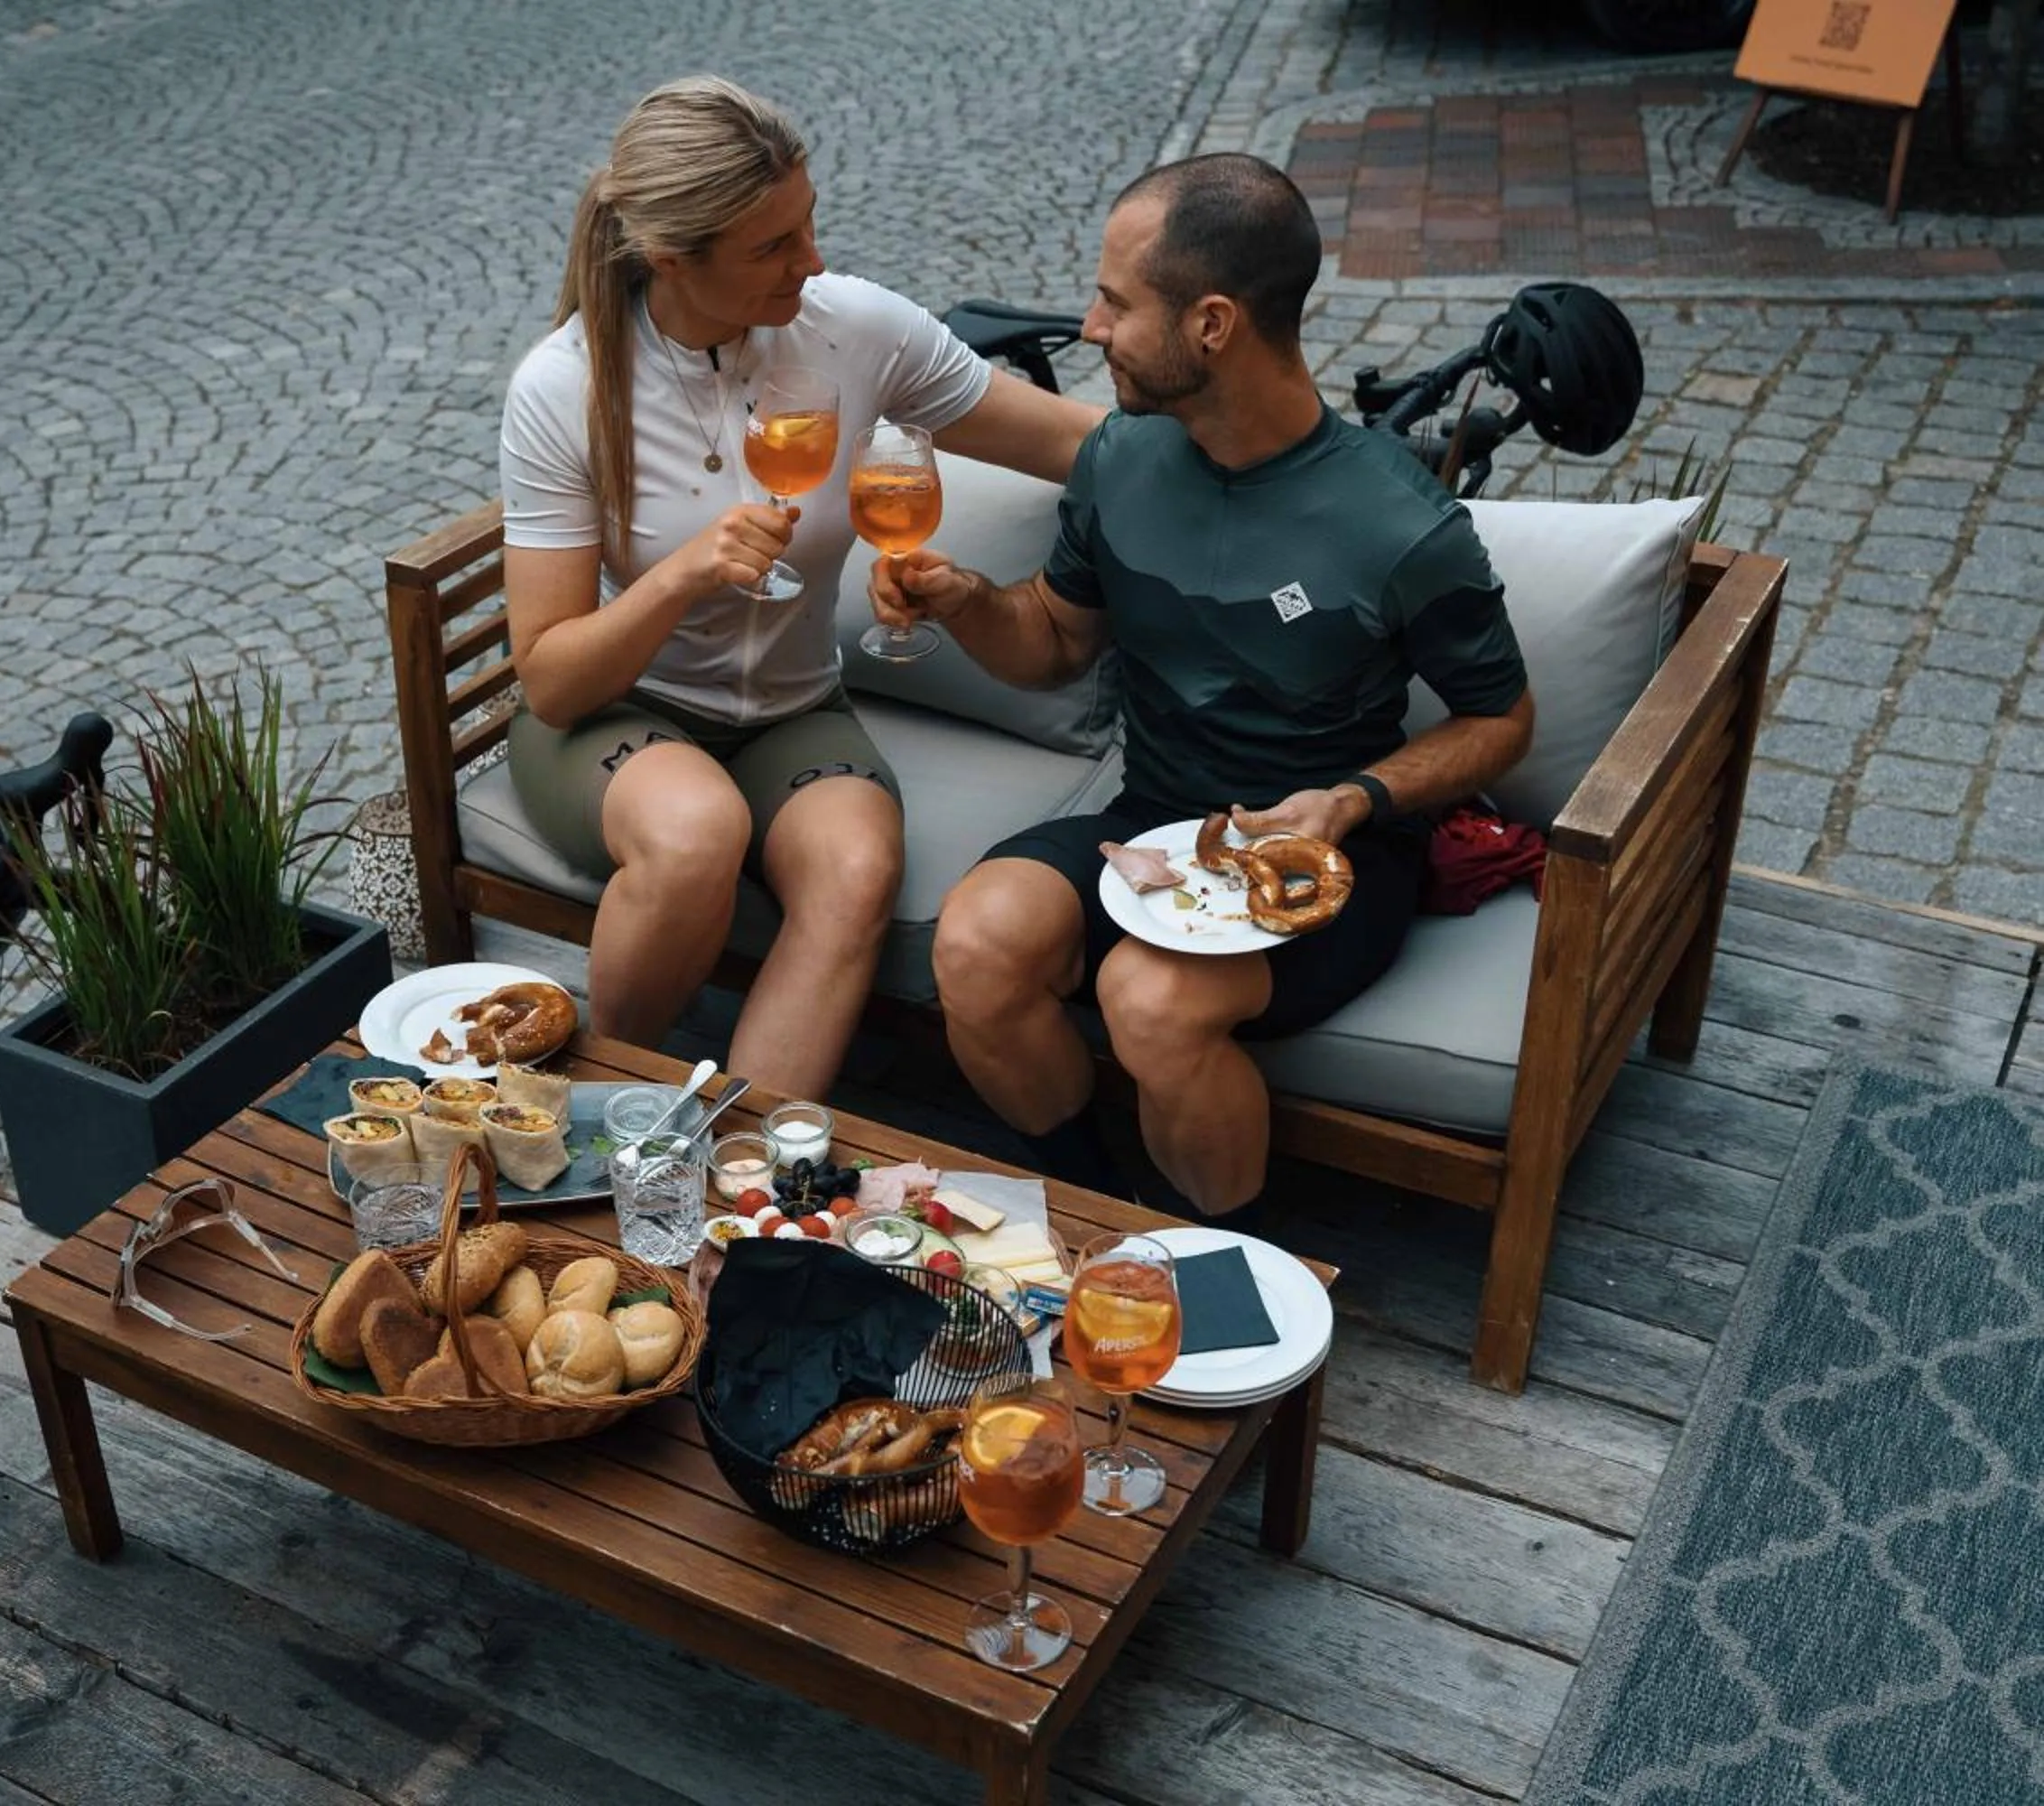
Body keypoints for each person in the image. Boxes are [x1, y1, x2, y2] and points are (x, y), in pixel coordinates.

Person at [873, 153, 1536, 1216]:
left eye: (1117, 303)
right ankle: (1097, 1214)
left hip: (1331, 858)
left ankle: (1233, 1254)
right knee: (978, 940)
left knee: (1149, 997)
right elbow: (1049, 640)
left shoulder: (1402, 526)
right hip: (1156, 828)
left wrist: (1355, 796)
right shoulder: (1122, 457)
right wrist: (962, 600)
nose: (1090, 327)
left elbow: (1503, 716)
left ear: (1213, 324)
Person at [499, 76, 1101, 1101]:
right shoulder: (563, 388)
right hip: (615, 714)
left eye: (808, 224)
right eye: (774, 247)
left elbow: (1067, 440)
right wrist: (683, 575)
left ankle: (737, 1179)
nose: (811, 260)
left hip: (794, 707)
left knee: (857, 871)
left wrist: (1265, 455)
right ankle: (603, 1110)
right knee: (697, 834)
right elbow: (553, 681)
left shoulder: (851, 329)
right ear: (670, 259)